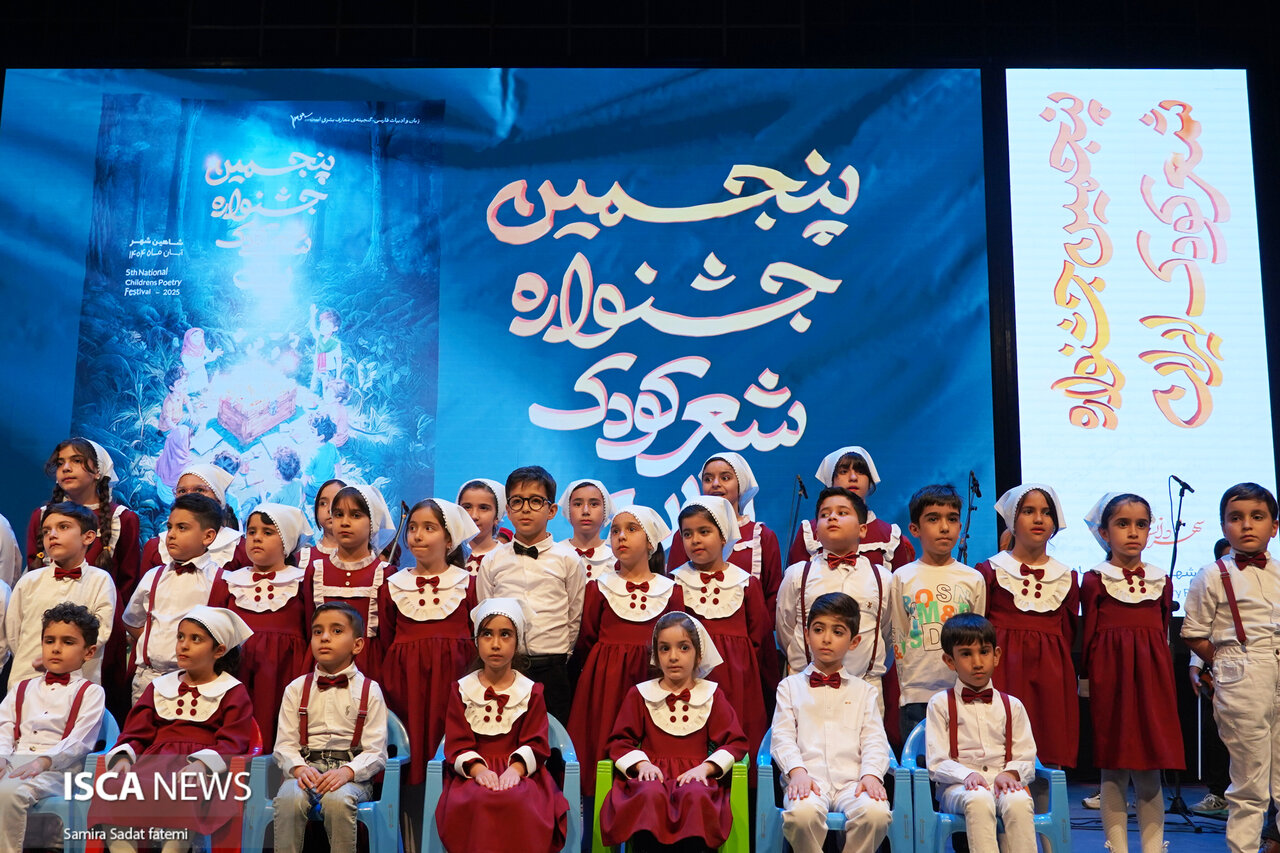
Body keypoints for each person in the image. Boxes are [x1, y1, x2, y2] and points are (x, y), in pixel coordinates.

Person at [91, 605, 255, 853]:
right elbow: (136, 732)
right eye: (180, 637)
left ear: (219, 650)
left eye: (195, 639)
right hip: (151, 764)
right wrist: (124, 757)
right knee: (113, 787)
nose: (183, 645)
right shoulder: (160, 686)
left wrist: (202, 764)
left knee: (185, 789)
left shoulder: (232, 691)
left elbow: (234, 740)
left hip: (199, 770)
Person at [1080, 492, 1182, 852]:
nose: (1133, 532)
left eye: (1141, 524)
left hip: (1152, 679)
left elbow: (1163, 631)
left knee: (1150, 765)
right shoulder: (1095, 580)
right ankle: (1117, 846)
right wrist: (1088, 681)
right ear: (1104, 532)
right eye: (1122, 524)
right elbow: (1089, 636)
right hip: (1112, 680)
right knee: (1114, 766)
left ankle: (1153, 847)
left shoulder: (1160, 580)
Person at [1182, 482, 1280, 853]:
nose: (1247, 525)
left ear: (1274, 526)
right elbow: (1193, 633)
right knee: (1250, 780)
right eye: (1236, 518)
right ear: (1224, 526)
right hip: (1242, 670)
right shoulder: (1211, 574)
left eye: (1257, 517)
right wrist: (1225, 662)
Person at [600, 612, 749, 851]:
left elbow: (735, 743)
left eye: (683, 648)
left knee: (695, 795)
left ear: (698, 655)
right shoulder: (640, 694)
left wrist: (705, 768)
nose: (673, 656)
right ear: (656, 655)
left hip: (695, 775)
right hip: (653, 774)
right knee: (648, 794)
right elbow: (619, 741)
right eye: (664, 649)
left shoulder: (712, 695)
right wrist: (643, 765)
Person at [435, 598, 570, 853]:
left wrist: (515, 770)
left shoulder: (531, 691)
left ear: (517, 642)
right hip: (473, 773)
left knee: (519, 798)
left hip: (521, 772)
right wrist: (478, 771)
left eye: (505, 634)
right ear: (477, 640)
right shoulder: (461, 690)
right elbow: (458, 742)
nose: (495, 644)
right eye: (487, 634)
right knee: (478, 798)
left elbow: (536, 742)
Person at [569, 506, 683, 796]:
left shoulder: (671, 590)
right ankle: (596, 809)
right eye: (616, 530)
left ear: (650, 541)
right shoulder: (599, 587)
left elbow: (678, 640)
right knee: (602, 741)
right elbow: (587, 638)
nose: (621, 536)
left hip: (651, 680)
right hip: (605, 681)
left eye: (632, 529)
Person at [773, 592, 892, 853]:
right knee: (801, 815)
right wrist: (797, 772)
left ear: (854, 641)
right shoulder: (789, 687)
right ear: (807, 635)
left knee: (876, 814)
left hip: (853, 782)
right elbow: (782, 737)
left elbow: (874, 740)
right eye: (818, 630)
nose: (826, 639)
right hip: (807, 778)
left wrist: (871, 774)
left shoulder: (864, 691)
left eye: (837, 632)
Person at [377, 498, 479, 788]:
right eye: (412, 528)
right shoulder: (393, 585)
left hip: (453, 681)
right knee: (408, 746)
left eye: (429, 528)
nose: (417, 535)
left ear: (449, 539)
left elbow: (476, 634)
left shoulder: (467, 583)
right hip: (406, 683)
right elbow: (387, 636)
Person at [975, 484, 1078, 769]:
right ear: (1012, 519)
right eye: (1029, 511)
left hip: (1051, 676)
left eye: (1046, 512)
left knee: (1047, 752)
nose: (1039, 519)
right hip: (1004, 670)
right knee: (1000, 751)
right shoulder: (990, 571)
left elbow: (1068, 632)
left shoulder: (1066, 577)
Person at [273, 602, 389, 853]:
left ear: (357, 645)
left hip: (351, 776)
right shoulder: (296, 689)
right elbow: (284, 745)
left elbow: (376, 751)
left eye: (336, 631)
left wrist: (347, 772)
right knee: (289, 798)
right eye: (318, 631)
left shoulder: (370, 690)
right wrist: (299, 768)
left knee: (338, 800)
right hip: (307, 770)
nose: (324, 637)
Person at [476, 466, 586, 724]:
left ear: (552, 510)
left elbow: (574, 617)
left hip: (553, 668)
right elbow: (485, 614)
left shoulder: (568, 559)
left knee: (553, 736)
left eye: (536, 501)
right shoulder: (492, 561)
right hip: (505, 667)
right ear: (508, 510)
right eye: (517, 501)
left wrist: (560, 655)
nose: (525, 509)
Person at [669, 496, 770, 771]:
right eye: (687, 534)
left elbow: (760, 638)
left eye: (704, 531)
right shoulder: (675, 583)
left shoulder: (745, 583)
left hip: (738, 680)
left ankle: (743, 792)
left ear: (723, 535)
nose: (695, 540)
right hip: (692, 678)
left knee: (737, 736)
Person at [926, 613, 1037, 853]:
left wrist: (1010, 772)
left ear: (996, 655)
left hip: (1001, 782)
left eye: (984, 652)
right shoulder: (940, 704)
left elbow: (1027, 756)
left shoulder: (1012, 705)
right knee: (978, 798)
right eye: (966, 654)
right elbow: (936, 762)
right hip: (958, 787)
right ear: (949, 660)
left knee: (1019, 801)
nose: (977, 662)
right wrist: (966, 774)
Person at [0, 603, 105, 853]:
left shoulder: (91, 692)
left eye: (68, 642)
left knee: (9, 792)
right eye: (49, 641)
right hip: (14, 760)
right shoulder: (22, 687)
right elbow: (4, 726)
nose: (56, 648)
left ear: (88, 652)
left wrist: (44, 761)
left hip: (59, 770)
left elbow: (80, 741)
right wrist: (3, 757)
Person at [208, 503, 313, 751]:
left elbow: (312, 632)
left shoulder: (301, 581)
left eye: (267, 532)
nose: (256, 538)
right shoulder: (228, 581)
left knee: (279, 733)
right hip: (237, 672)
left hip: (284, 673)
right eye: (251, 531)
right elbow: (212, 630)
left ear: (286, 540)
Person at [777, 488, 892, 707]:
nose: (832, 517)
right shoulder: (797, 575)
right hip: (805, 686)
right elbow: (786, 630)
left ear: (862, 529)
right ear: (816, 532)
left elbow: (887, 633)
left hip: (864, 688)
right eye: (824, 514)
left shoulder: (882, 578)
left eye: (842, 513)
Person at [890, 484, 986, 737]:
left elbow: (978, 636)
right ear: (915, 529)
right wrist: (907, 686)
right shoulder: (903, 577)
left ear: (960, 526)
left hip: (963, 690)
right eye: (933, 519)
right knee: (921, 758)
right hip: (917, 695)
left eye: (952, 519)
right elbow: (899, 634)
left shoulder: (973, 579)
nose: (944, 527)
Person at [123, 493, 224, 702]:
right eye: (170, 527)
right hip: (149, 679)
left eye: (182, 528)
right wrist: (155, 642)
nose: (171, 535)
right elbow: (132, 620)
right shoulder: (154, 576)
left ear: (208, 536)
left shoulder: (219, 580)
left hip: (197, 680)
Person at [6, 503, 116, 687]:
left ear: (88, 536)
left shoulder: (100, 580)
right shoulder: (29, 581)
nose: (52, 535)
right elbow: (13, 634)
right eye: (46, 531)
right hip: (27, 680)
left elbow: (100, 632)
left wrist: (62, 662)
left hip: (77, 684)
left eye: (63, 527)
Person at [667, 453, 783, 621]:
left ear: (740, 484)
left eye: (725, 478)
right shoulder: (685, 535)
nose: (715, 484)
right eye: (708, 479)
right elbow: (674, 587)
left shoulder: (762, 536)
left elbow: (772, 596)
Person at [302, 483, 396, 682]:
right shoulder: (316, 570)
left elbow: (387, 637)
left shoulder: (384, 574)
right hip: (322, 666)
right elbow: (308, 626)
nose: (344, 522)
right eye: (338, 514)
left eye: (355, 515)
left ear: (372, 522)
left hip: (368, 668)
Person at [786, 445, 916, 570]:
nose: (853, 477)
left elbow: (899, 583)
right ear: (831, 480)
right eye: (844, 472)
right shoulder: (810, 531)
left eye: (860, 472)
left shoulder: (889, 535)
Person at [1185, 536, 1232, 817]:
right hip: (1223, 671)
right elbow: (1203, 631)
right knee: (1217, 735)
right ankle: (1218, 794)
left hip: (1265, 670)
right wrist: (1196, 667)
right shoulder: (1212, 582)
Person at [140, 463, 248, 573]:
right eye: (182, 491)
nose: (189, 496)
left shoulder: (239, 549)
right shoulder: (156, 548)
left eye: (199, 490)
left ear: (218, 498)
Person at [558, 478, 615, 581]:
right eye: (578, 504)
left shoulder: (615, 557)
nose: (585, 511)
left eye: (594, 504)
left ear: (605, 510)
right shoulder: (556, 554)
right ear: (568, 509)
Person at [457, 478, 507, 575]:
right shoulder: (445, 556)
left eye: (483, 508)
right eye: (467, 507)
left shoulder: (507, 557)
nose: (474, 516)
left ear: (497, 517)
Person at [296, 478, 346, 569]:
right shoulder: (301, 559)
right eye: (323, 503)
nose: (330, 509)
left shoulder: (366, 559)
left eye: (337, 502)